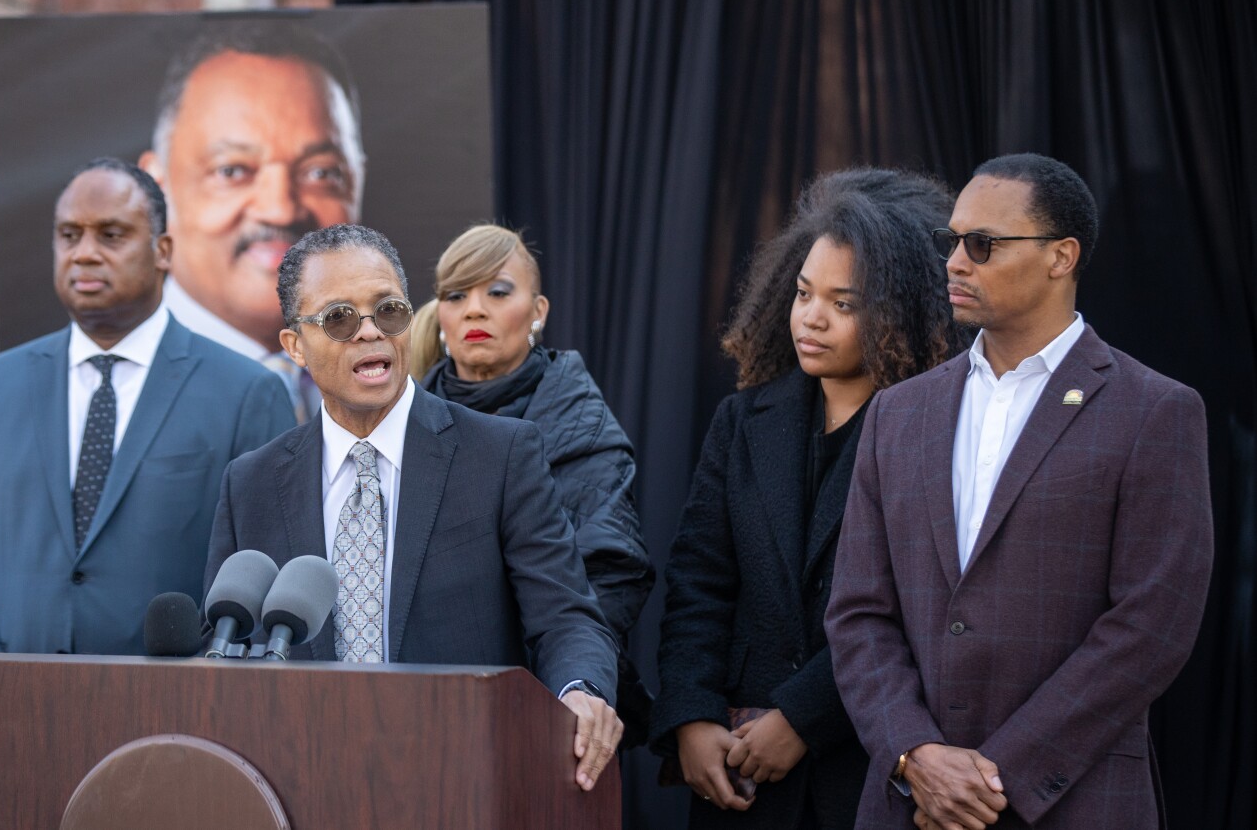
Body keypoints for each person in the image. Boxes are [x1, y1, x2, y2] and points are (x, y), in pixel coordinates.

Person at [825, 154, 1213, 830]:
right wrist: (914, 754)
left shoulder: (1154, 411)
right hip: (907, 804)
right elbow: (858, 611)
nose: (954, 262)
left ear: (1060, 256)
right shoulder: (898, 413)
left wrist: (992, 777)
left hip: (1072, 801)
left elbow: (1152, 626)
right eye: (951, 242)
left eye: (983, 245)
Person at [204, 223, 624, 791]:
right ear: (295, 345)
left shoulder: (502, 455)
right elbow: (223, 651)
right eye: (339, 318)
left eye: (389, 311)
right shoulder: (249, 483)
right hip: (298, 782)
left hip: (462, 779)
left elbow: (566, 618)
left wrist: (580, 690)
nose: (370, 332)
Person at [651, 167, 966, 829]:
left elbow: (920, 610)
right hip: (737, 770)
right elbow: (697, 584)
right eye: (801, 293)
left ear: (903, 311)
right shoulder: (742, 421)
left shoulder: (939, 432)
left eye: (843, 304)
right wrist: (691, 716)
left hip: (865, 768)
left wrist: (801, 717)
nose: (810, 318)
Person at [0, 158, 295, 655]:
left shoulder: (246, 392)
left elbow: (264, 573)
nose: (84, 254)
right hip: (10, 708)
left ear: (163, 251)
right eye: (69, 235)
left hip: (173, 715)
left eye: (111, 235)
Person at [409, 224, 656, 744]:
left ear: (538, 311)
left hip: (538, 714)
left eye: (498, 292)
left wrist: (565, 683)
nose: (475, 309)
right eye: (456, 295)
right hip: (415, 710)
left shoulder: (584, 430)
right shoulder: (395, 426)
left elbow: (607, 581)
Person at [139, 24, 364, 421]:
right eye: (233, 171)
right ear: (156, 189)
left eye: (320, 173)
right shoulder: (101, 393)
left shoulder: (423, 376)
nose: (280, 209)